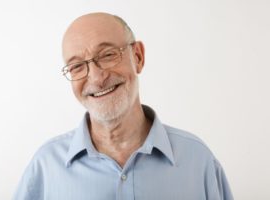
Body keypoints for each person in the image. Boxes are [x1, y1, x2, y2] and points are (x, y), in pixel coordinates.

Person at [13, 12, 234, 200]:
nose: (97, 78)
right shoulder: (46, 166)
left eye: (108, 55)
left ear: (137, 56)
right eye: (77, 66)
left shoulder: (197, 160)